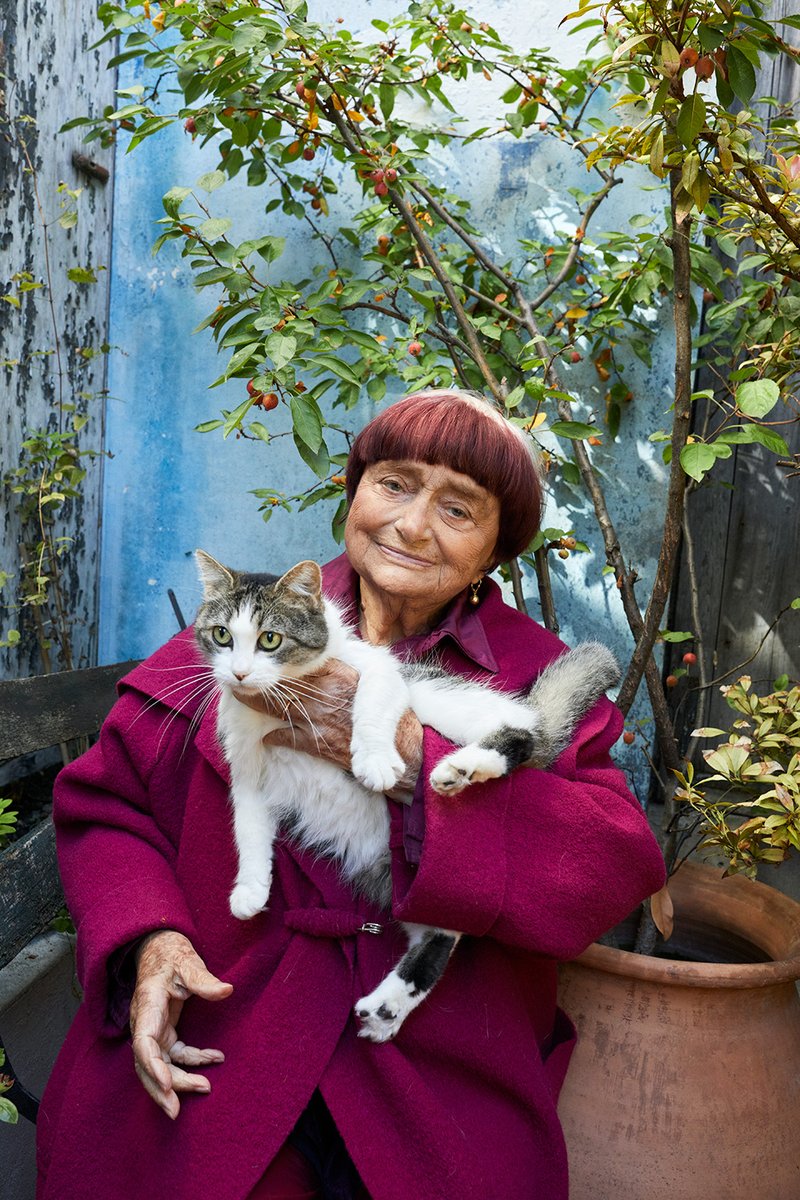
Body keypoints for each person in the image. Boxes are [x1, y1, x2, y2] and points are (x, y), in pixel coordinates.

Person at [37, 390, 665, 1200]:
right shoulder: (251, 629)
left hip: (436, 1054)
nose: (410, 525)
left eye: (457, 508)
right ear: (354, 492)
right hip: (231, 1017)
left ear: (493, 551)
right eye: (394, 485)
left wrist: (416, 758)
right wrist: (150, 940)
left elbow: (609, 864)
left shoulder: (527, 672)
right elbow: (108, 806)